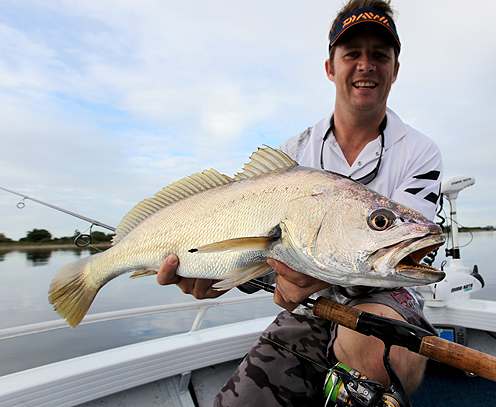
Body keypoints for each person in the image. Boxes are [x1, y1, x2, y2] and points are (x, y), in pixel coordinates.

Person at [157, 1, 443, 405]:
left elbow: (407, 256)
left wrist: (319, 270)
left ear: (395, 70)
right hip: (309, 307)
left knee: (380, 347)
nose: (366, 65)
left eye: (380, 55)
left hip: (386, 300)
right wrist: (216, 272)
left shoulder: (419, 150)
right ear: (331, 67)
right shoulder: (290, 156)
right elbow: (259, 255)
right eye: (352, 54)